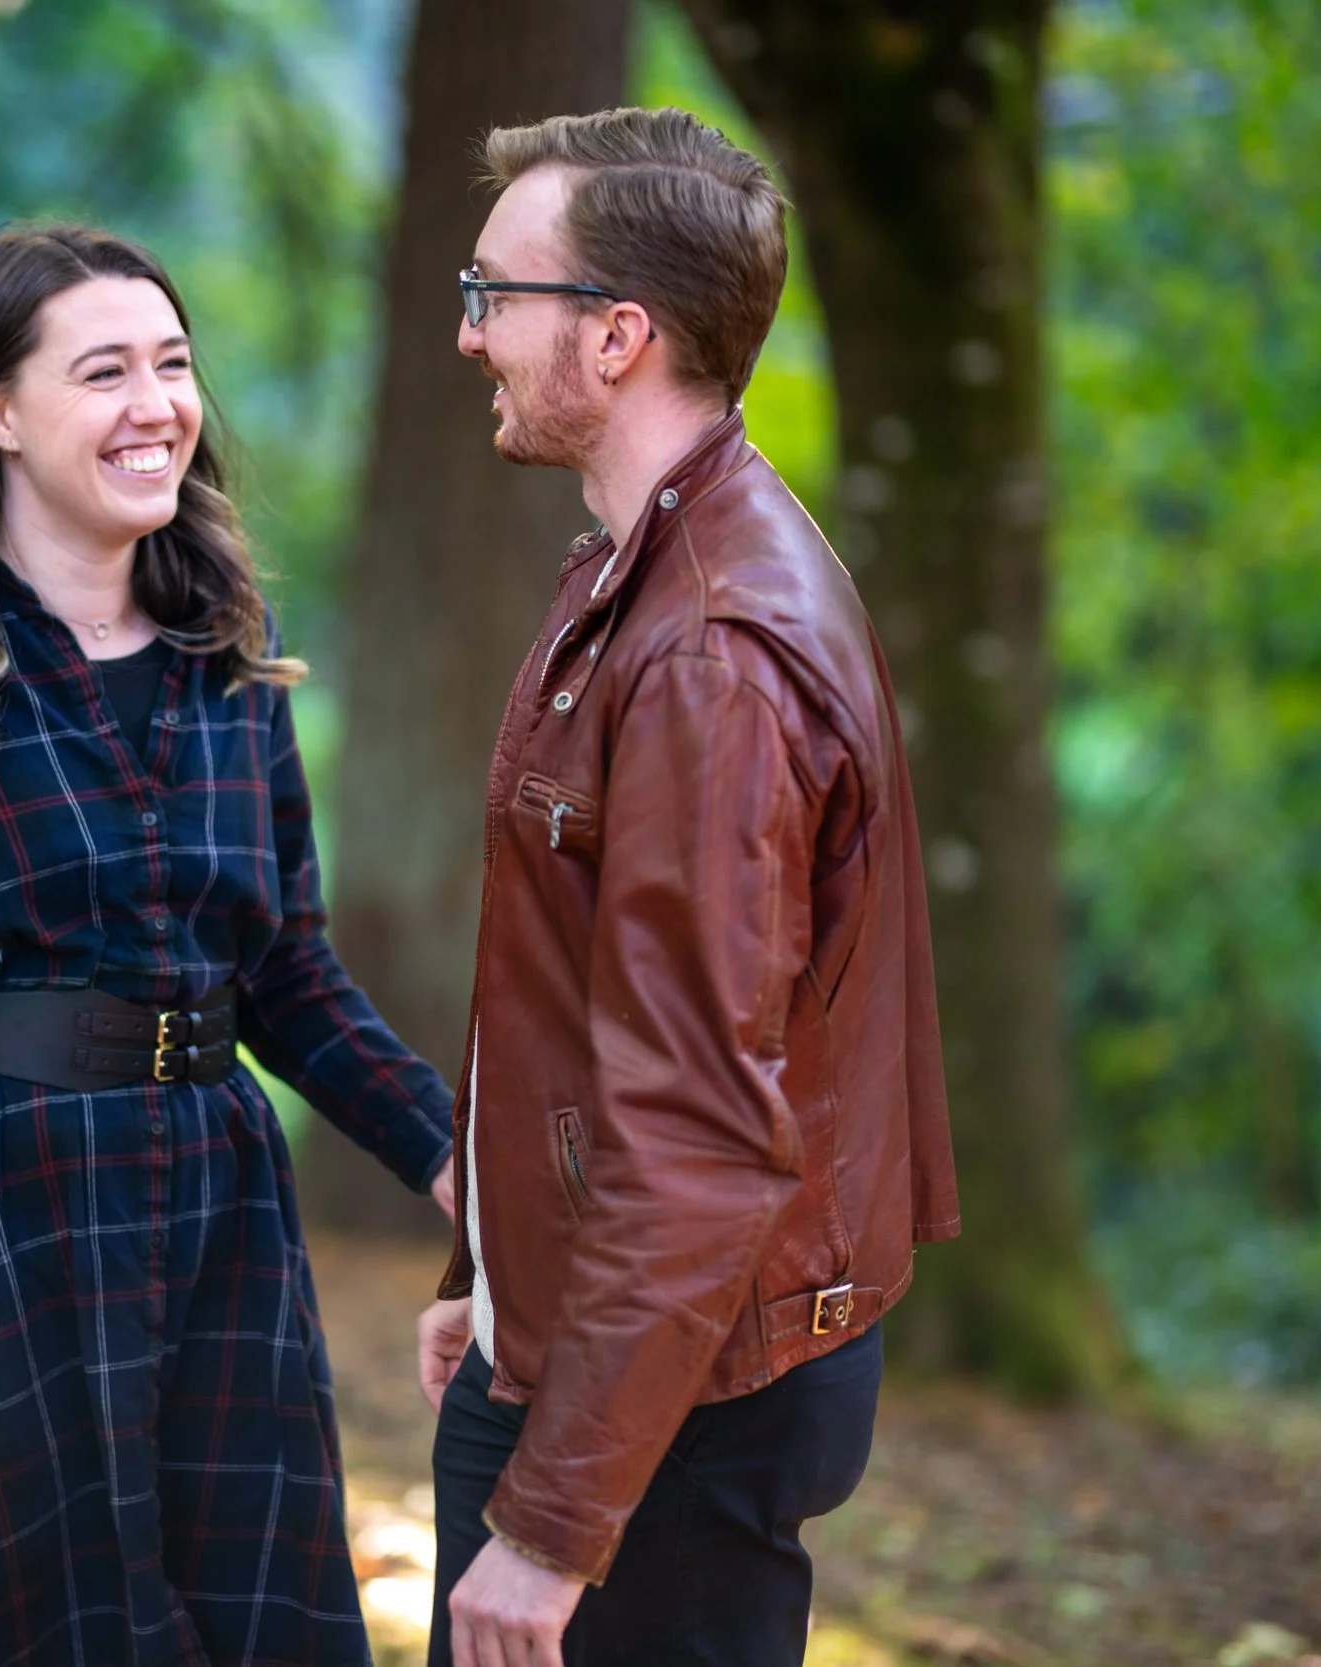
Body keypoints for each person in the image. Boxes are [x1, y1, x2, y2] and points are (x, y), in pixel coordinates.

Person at [0, 223, 458, 1665]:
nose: (156, 405)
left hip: (216, 1229)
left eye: (175, 364)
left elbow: (286, 975)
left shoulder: (229, 663)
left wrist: (458, 1162)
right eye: (105, 370)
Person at [414, 109, 963, 1667]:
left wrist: (555, 1522)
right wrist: (497, 1278)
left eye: (493, 295)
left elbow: (708, 1123)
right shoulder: (636, 569)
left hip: (678, 1400)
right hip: (604, 1345)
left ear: (618, 333)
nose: (468, 336)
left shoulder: (712, 651)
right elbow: (580, 994)